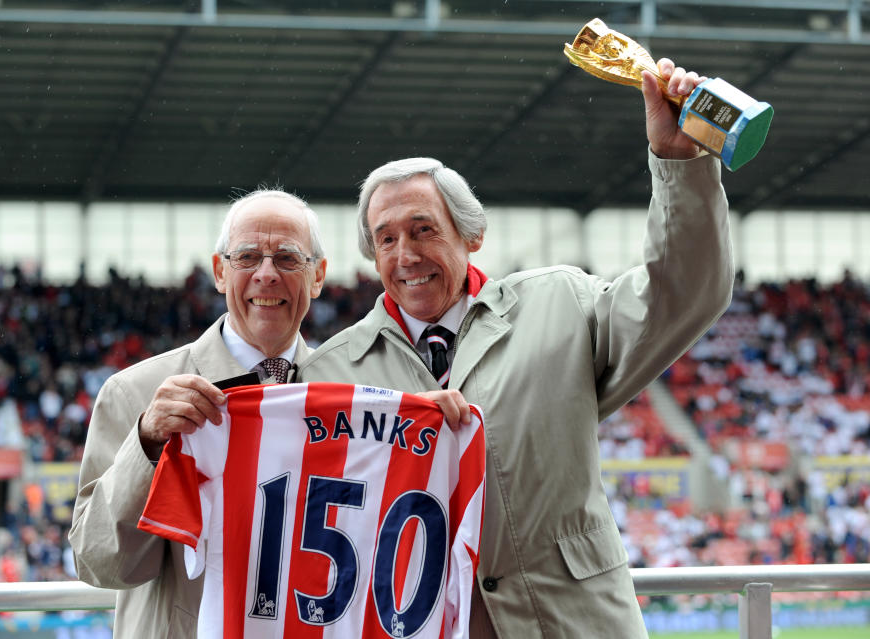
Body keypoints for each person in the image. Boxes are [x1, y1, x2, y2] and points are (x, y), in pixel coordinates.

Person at [296, 59, 734, 637]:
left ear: (471, 236)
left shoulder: (561, 304)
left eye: (424, 229)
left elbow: (683, 292)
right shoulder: (328, 373)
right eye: (387, 239)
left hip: (571, 625)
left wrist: (680, 165)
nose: (406, 255)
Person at [69, 189, 328, 636]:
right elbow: (99, 564)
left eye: (287, 259)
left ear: (318, 276)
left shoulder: (346, 398)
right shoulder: (134, 394)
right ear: (220, 272)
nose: (266, 275)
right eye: (247, 257)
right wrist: (147, 445)